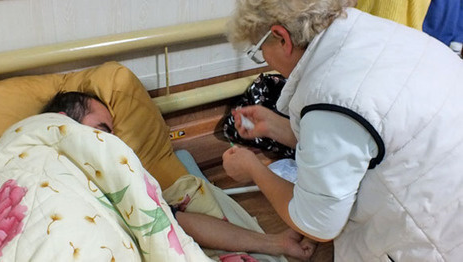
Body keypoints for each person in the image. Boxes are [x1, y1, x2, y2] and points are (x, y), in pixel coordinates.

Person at [222, 1, 463, 261]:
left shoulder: (332, 95)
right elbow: (364, 135)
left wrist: (253, 169)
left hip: (433, 231)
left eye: (259, 51)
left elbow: (318, 224)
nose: (264, 61)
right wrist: (275, 126)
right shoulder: (369, 30)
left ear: (282, 38)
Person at [42, 91, 316, 260]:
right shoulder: (34, 161)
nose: (113, 142)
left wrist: (277, 243)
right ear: (63, 122)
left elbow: (169, 221)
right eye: (102, 131)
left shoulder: (119, 179)